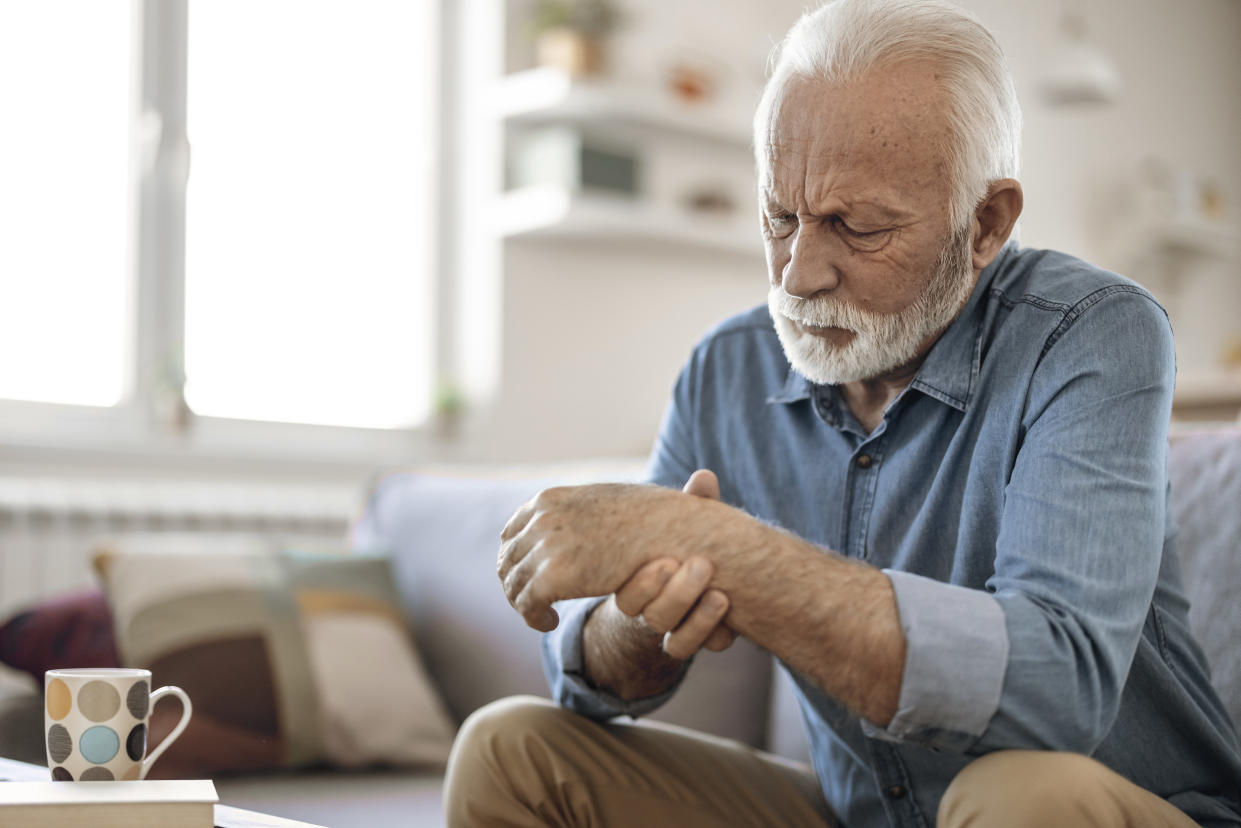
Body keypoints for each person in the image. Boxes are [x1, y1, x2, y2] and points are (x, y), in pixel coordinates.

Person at [444, 0, 1241, 825]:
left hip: (1100, 805)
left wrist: (720, 548)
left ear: (985, 223)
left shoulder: (1092, 334)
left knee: (1014, 794)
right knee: (512, 751)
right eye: (778, 218)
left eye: (854, 227)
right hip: (854, 812)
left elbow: (1057, 694)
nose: (796, 275)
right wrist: (632, 617)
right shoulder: (728, 368)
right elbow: (593, 685)